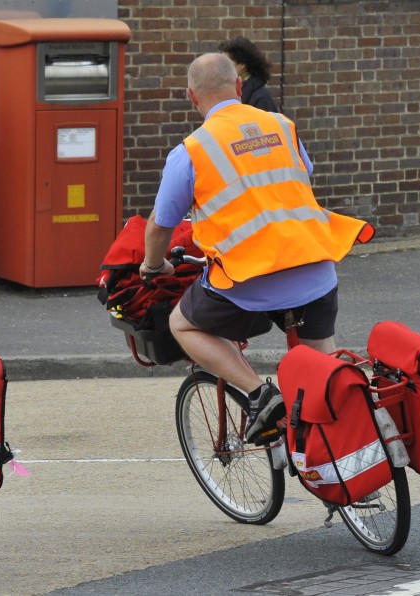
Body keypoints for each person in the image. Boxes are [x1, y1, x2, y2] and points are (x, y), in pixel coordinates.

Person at [140, 53, 373, 445]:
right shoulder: (282, 125)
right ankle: (350, 462)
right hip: (315, 267)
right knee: (323, 375)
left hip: (249, 278)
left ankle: (258, 394)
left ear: (191, 96)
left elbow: (160, 225)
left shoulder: (192, 151)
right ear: (237, 86)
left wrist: (154, 265)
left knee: (182, 322)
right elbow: (295, 177)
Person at [217, 37, 278, 113]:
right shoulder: (230, 90)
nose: (221, 67)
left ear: (242, 65)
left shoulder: (260, 98)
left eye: (226, 63)